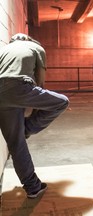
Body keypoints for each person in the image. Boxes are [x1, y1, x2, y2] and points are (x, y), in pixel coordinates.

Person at [0, 33, 69, 198]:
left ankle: (33, 187)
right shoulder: (36, 47)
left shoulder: (3, 50)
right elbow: (40, 81)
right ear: (27, 39)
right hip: (19, 88)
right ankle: (27, 128)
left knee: (16, 144)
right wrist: (43, 102)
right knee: (62, 102)